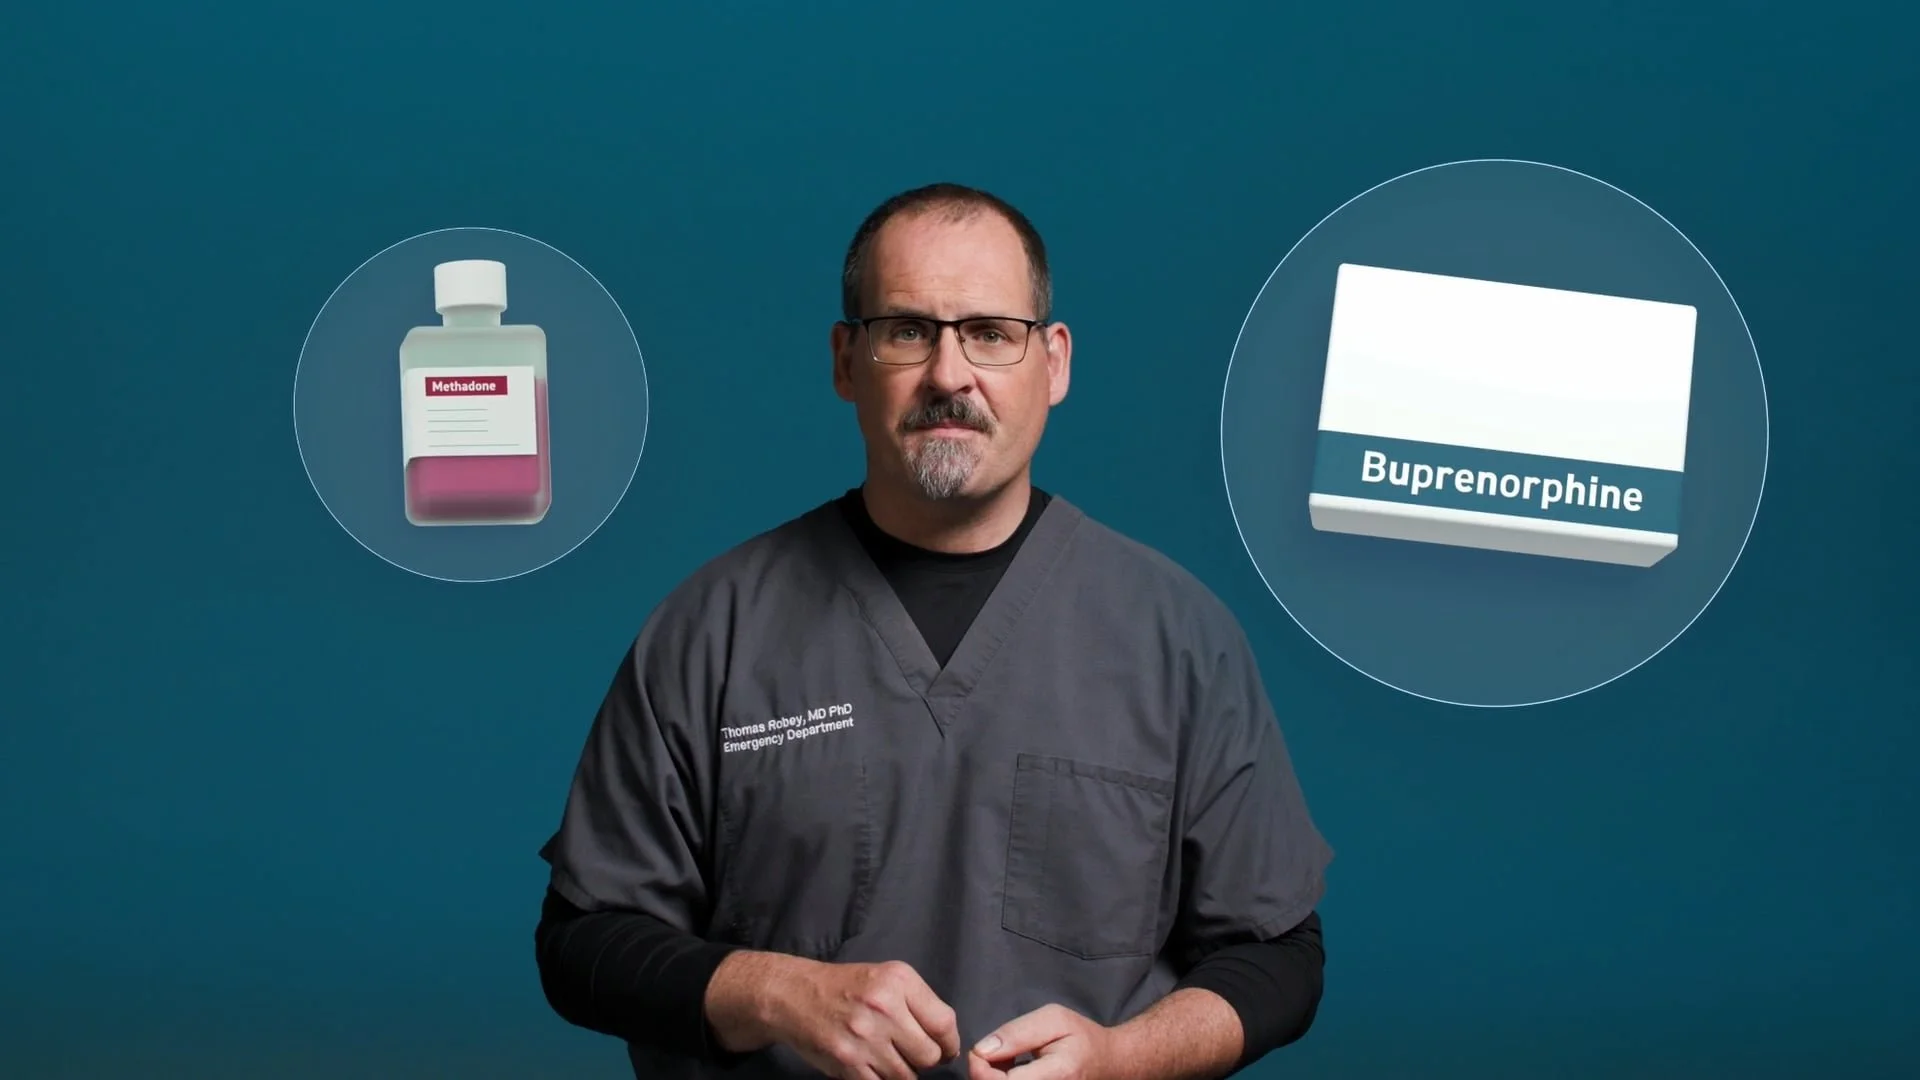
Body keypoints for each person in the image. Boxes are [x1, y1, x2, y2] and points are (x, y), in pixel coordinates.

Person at [534, 183, 1335, 1080]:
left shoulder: (1178, 638)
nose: (950, 375)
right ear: (846, 361)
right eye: (908, 330)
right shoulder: (711, 630)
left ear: (1055, 363)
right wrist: (775, 992)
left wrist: (1123, 1057)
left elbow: (1279, 953)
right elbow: (581, 943)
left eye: (991, 333)